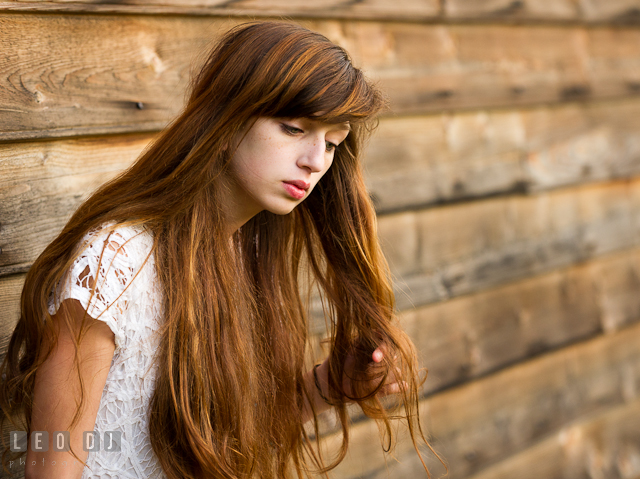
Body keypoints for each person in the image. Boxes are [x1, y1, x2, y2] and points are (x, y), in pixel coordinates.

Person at [0, 20, 444, 479]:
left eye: (332, 144)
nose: (315, 162)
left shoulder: (246, 252)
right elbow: (51, 464)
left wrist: (329, 385)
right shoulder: (116, 263)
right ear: (227, 118)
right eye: (294, 128)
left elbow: (213, 440)